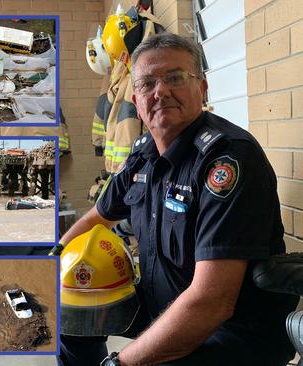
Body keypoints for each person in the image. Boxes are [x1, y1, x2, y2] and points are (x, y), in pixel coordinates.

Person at [58, 33, 298, 366]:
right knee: (69, 322)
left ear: (202, 87)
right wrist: (53, 264)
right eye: (147, 84)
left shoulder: (227, 160)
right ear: (137, 100)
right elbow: (97, 218)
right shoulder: (142, 156)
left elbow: (211, 302)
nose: (161, 92)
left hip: (232, 330)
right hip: (163, 303)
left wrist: (121, 363)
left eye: (175, 78)